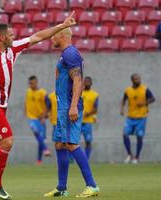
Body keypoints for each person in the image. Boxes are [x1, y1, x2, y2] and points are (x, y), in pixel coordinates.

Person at [0, 11, 77, 200]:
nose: (14, 37)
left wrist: (62, 25)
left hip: (0, 106)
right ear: (2, 37)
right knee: (7, 141)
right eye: (10, 35)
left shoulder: (13, 49)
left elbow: (38, 36)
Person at [44, 28, 99, 198]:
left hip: (69, 106)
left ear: (62, 35)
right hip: (63, 106)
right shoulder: (65, 54)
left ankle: (92, 185)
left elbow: (78, 79)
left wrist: (73, 105)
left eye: (54, 34)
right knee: (60, 144)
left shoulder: (70, 54)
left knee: (71, 143)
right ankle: (62, 188)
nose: (51, 37)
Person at [120, 73, 155, 164]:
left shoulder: (145, 89)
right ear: (132, 80)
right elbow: (124, 99)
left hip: (141, 117)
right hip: (130, 117)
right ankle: (129, 154)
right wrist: (122, 109)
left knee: (139, 136)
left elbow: (152, 98)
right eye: (136, 79)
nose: (138, 80)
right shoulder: (128, 90)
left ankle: (137, 157)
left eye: (139, 78)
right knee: (125, 134)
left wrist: (144, 103)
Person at [25, 75, 51, 165]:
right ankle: (46, 149)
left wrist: (44, 116)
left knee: (41, 139)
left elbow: (49, 104)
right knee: (35, 132)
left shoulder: (42, 93)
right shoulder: (28, 91)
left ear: (36, 82)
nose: (31, 85)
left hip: (41, 119)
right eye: (30, 83)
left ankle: (39, 160)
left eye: (32, 83)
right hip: (32, 118)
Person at [81, 76, 99, 160]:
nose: (87, 83)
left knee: (88, 141)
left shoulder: (95, 95)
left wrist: (89, 113)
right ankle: (71, 159)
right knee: (72, 141)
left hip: (88, 122)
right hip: (77, 121)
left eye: (88, 82)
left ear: (91, 83)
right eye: (85, 81)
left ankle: (86, 159)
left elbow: (95, 108)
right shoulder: (78, 92)